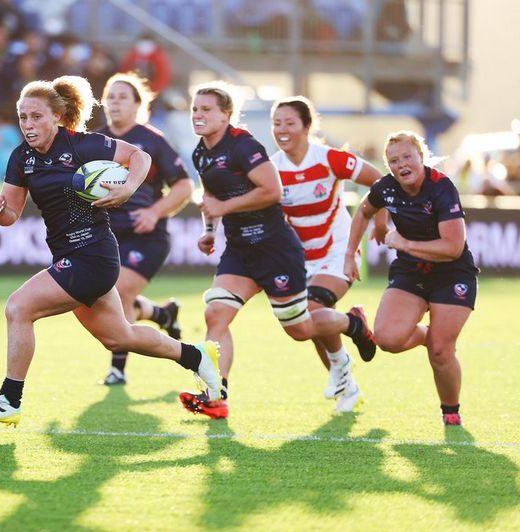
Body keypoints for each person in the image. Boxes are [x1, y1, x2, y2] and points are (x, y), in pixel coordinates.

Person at [0, 75, 221, 426]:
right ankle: (196, 357)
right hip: (71, 256)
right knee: (119, 336)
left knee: (18, 308)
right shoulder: (21, 157)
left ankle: (10, 398)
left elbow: (139, 156)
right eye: (23, 117)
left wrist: (129, 187)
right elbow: (11, 215)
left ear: (56, 116)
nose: (28, 124)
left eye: (36, 116)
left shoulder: (82, 145)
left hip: (93, 255)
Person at [179, 81, 377, 420]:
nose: (198, 114)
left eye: (206, 109)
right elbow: (210, 199)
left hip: (275, 248)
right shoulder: (201, 152)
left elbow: (271, 192)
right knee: (215, 312)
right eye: (195, 108)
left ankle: (351, 324)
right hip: (241, 249)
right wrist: (209, 231)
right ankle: (216, 396)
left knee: (300, 328)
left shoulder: (245, 147)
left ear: (227, 115)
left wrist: (383, 222)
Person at [344, 130, 479, 426]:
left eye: (407, 156)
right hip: (411, 271)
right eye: (394, 160)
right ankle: (429, 336)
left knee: (441, 352)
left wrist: (405, 243)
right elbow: (364, 211)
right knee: (388, 340)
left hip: (452, 272)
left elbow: (453, 247)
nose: (401, 163)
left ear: (422, 156)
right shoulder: (386, 187)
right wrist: (350, 253)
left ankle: (450, 410)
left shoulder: (441, 187)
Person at [270, 96, 388, 412]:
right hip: (300, 258)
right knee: (310, 325)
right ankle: (347, 385)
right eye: (277, 123)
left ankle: (352, 324)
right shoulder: (272, 168)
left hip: (338, 250)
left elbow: (378, 181)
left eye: (290, 122)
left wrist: (380, 219)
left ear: (307, 127)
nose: (282, 129)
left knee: (312, 309)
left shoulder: (329, 159)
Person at [95, 72, 194, 386]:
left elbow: (183, 186)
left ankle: (118, 368)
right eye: (110, 96)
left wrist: (154, 211)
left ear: (139, 104)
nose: (114, 102)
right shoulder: (96, 142)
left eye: (123, 97)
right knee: (100, 296)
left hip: (146, 236)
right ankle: (163, 315)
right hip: (106, 236)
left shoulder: (151, 140)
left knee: (118, 291)